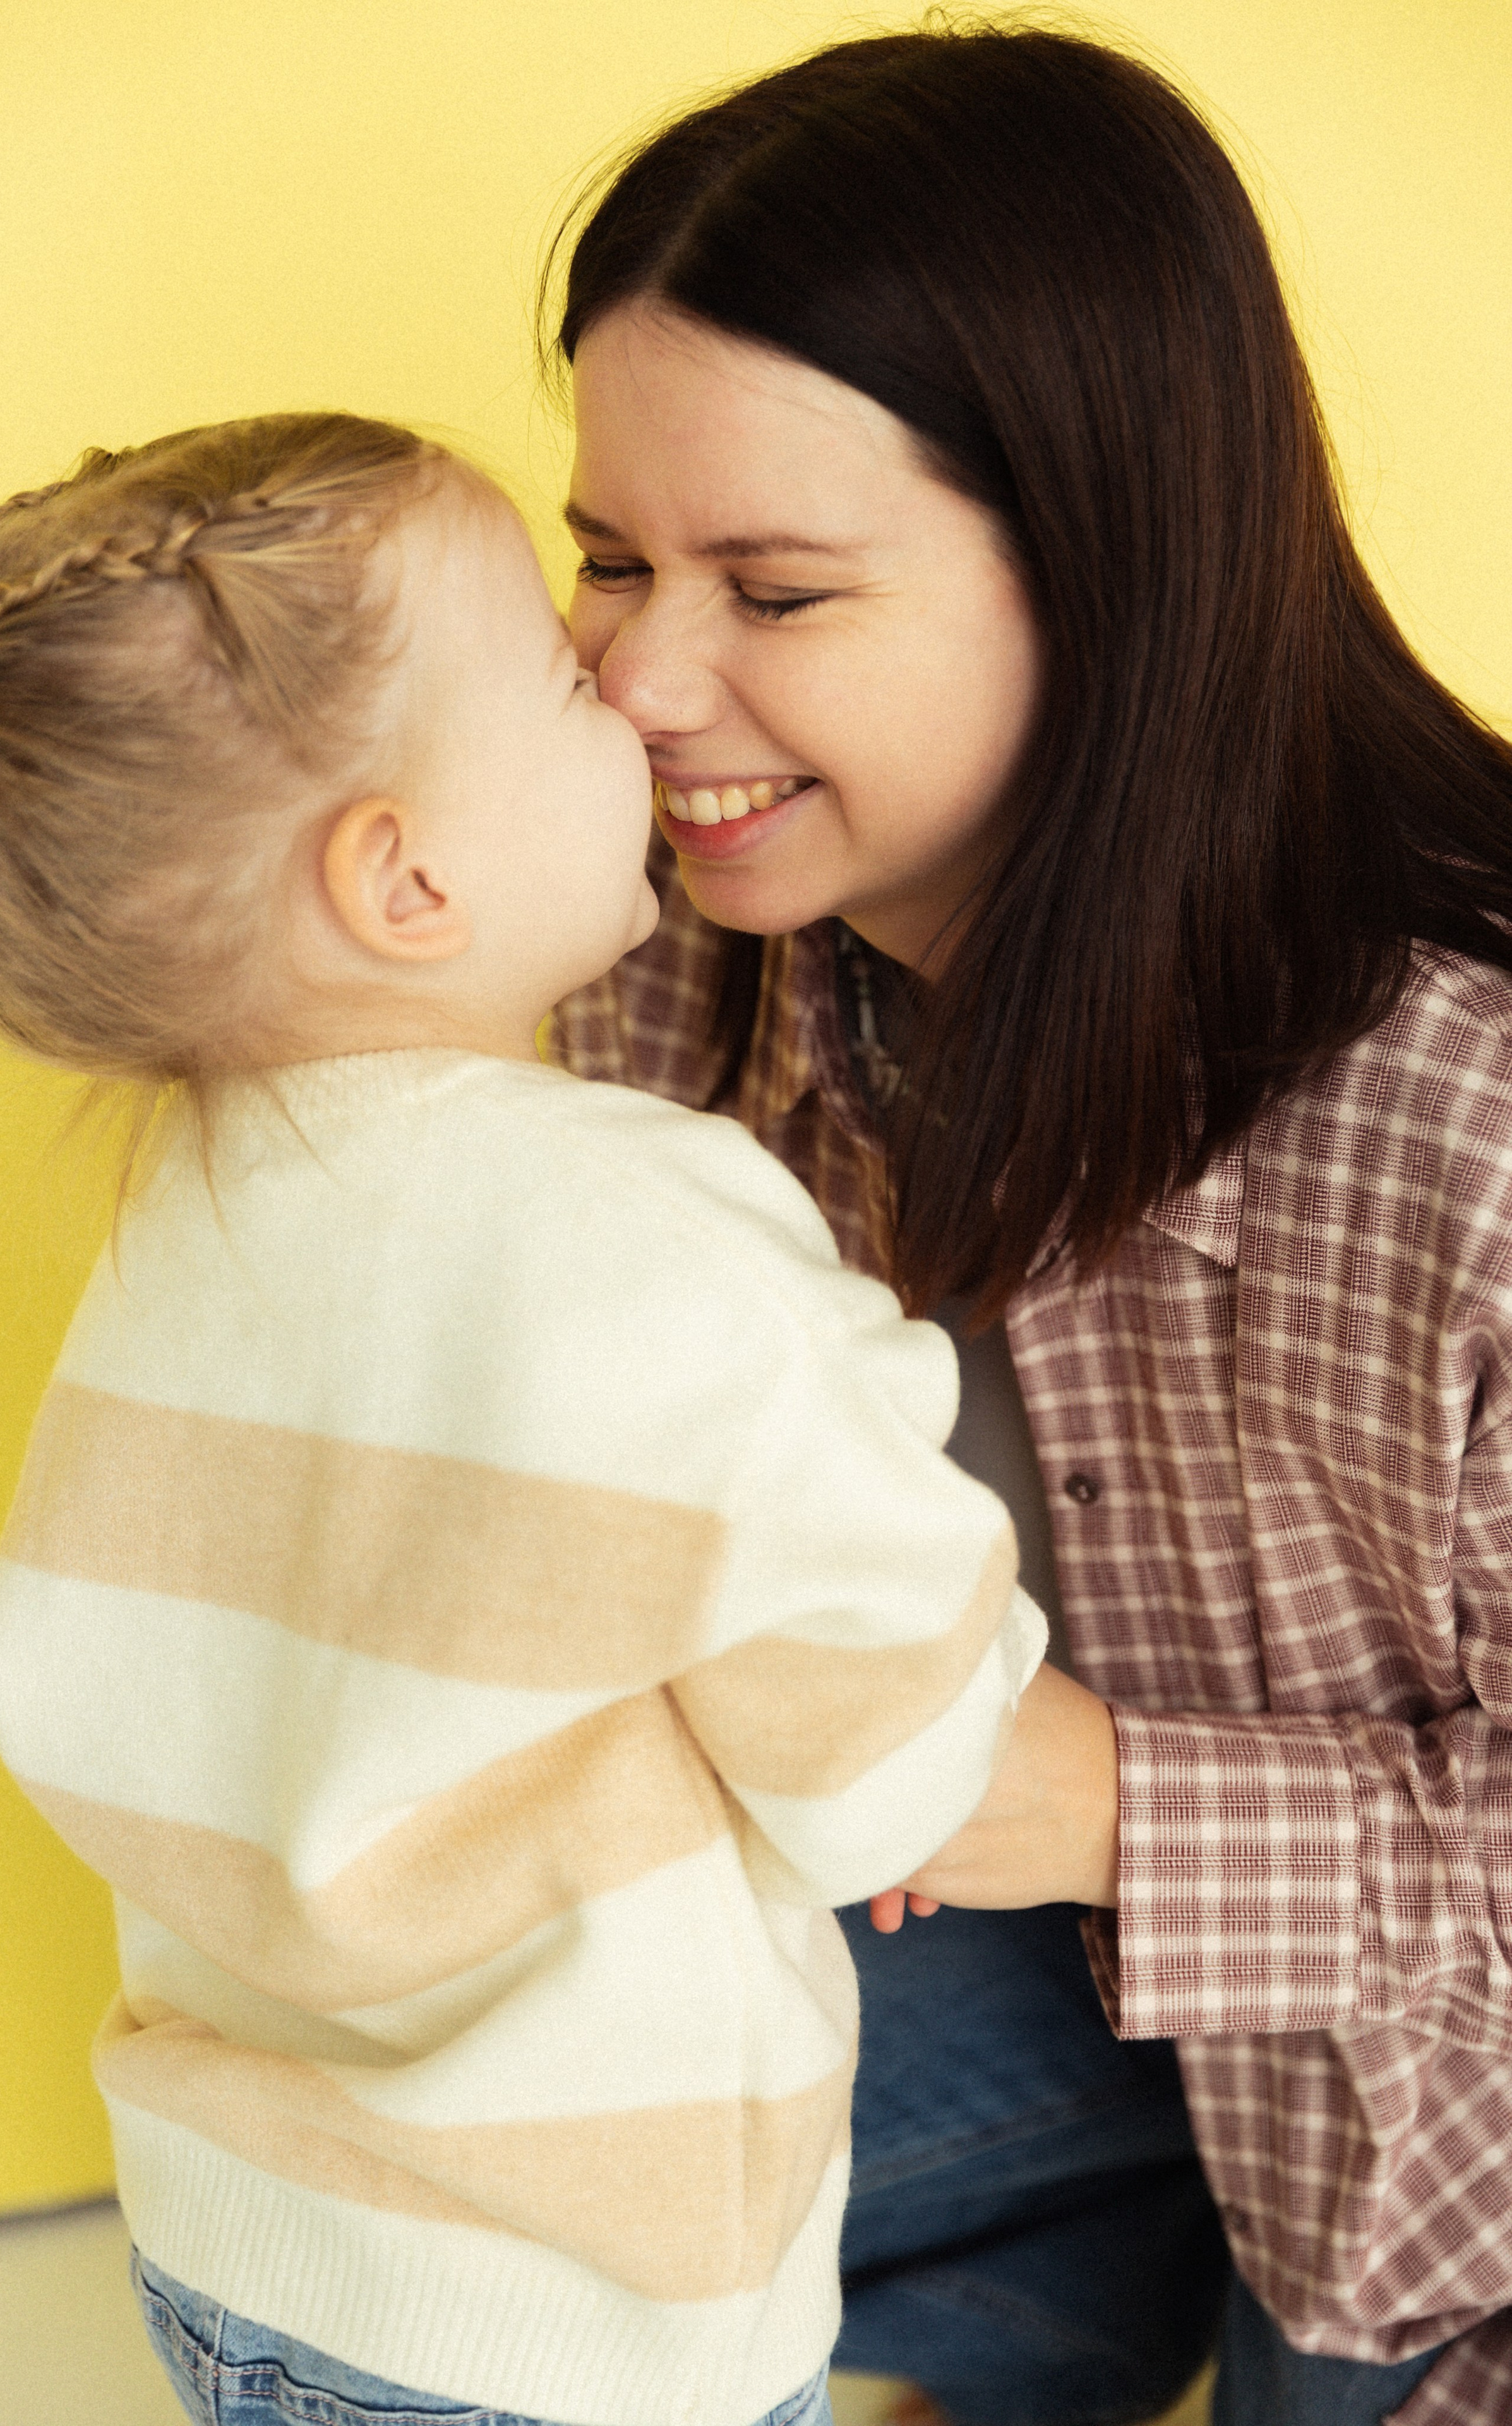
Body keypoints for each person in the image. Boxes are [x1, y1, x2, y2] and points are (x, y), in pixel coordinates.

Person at [541, 23, 1512, 2426]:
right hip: (1006, 1969)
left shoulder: (1470, 1120)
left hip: (1435, 2166)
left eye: (772, 586)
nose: (640, 680)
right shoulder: (651, 934)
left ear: (1107, 577)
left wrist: (1102, 1805)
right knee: (445, 2196)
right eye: (608, 558)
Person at [0, 412, 1048, 2426]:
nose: (623, 692)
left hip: (235, 2240)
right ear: (409, 877)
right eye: (554, 669)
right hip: (561, 2328)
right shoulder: (635, 1230)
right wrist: (943, 1732)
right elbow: (888, 1742)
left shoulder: (194, 1213)